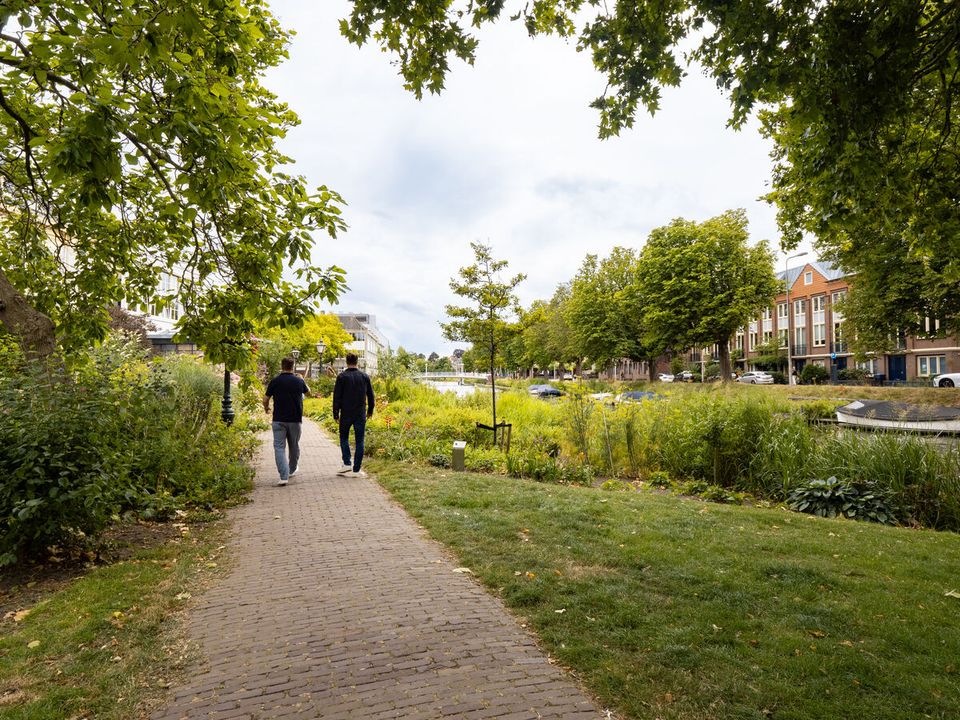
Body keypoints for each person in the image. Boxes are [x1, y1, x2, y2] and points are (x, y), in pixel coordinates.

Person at [263, 357, 311, 486]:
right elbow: (309, 394)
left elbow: (265, 398)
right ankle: (292, 469)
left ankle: (283, 476)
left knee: (279, 447)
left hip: (278, 419)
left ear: (281, 365)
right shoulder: (298, 381)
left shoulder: (275, 381)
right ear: (293, 366)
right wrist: (303, 380)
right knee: (294, 445)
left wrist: (266, 408)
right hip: (295, 420)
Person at [333, 352, 375, 477]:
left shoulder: (341, 377)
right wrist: (370, 411)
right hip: (360, 413)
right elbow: (371, 396)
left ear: (346, 362)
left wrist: (336, 414)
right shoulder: (364, 376)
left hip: (345, 413)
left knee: (344, 437)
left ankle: (347, 463)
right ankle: (356, 470)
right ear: (358, 362)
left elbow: (337, 397)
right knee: (360, 441)